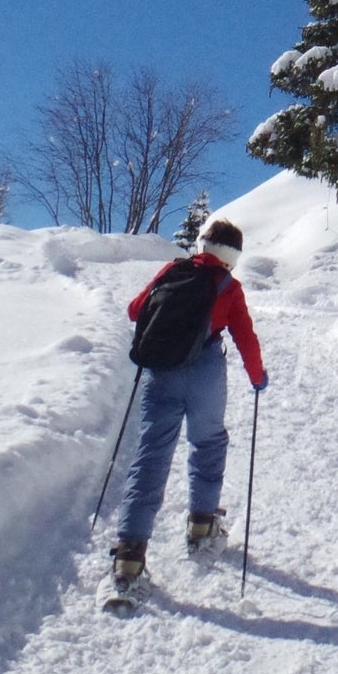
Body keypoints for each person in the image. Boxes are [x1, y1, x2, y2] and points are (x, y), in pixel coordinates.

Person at [109, 218, 267, 590]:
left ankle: (129, 557)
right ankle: (201, 525)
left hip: (161, 373)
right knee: (208, 443)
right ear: (232, 257)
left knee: (151, 455)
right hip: (205, 374)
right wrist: (257, 376)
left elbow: (135, 310)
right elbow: (245, 337)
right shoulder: (228, 286)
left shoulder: (172, 270)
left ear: (202, 246)